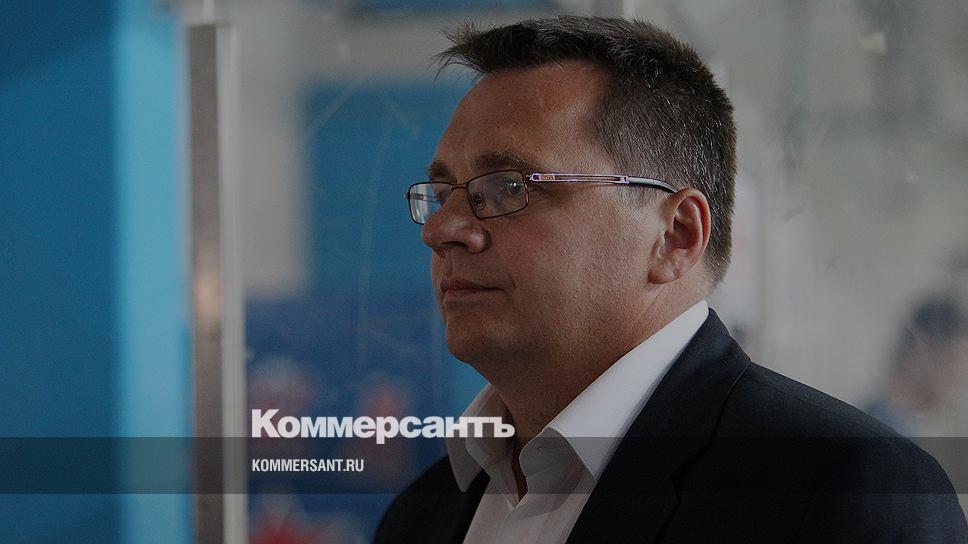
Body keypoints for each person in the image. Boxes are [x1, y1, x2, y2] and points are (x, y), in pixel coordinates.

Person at [375, 16, 968, 543]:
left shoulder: (844, 493)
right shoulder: (424, 513)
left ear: (676, 235)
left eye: (509, 187)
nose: (442, 230)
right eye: (443, 193)